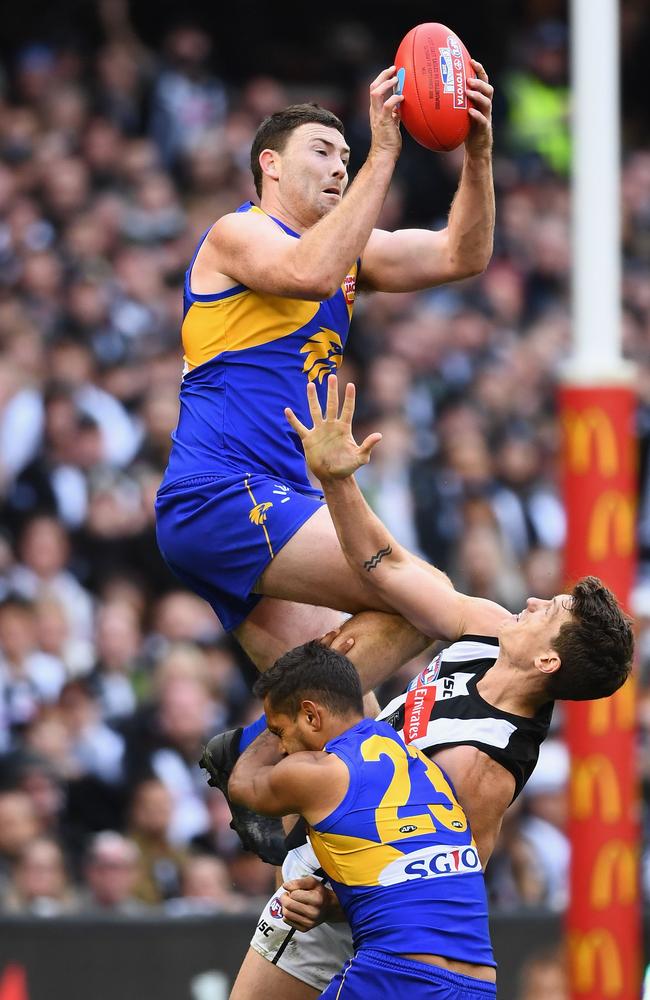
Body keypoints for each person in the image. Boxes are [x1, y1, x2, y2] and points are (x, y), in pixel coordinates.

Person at [219, 375, 632, 998]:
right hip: (336, 820)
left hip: (354, 901)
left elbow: (440, 889)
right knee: (410, 598)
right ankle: (276, 730)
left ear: (548, 663)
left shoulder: (484, 766)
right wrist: (337, 480)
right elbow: (390, 567)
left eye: (550, 611)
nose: (533, 599)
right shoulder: (491, 629)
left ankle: (266, 744)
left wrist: (329, 900)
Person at [155, 63, 495, 672]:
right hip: (224, 492)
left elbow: (461, 254)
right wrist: (383, 152)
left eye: (346, 153)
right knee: (421, 593)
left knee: (335, 708)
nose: (340, 165)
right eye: (323, 151)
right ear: (271, 164)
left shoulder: (349, 255)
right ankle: (537, 642)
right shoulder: (237, 233)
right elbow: (307, 275)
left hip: (278, 495)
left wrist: (478, 153)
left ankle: (247, 758)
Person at [228, 641, 497, 1000]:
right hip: (477, 983)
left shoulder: (320, 774)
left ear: (310, 715)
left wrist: (257, 733)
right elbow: (405, 883)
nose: (280, 747)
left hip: (395, 973)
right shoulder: (422, 766)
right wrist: (328, 905)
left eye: (279, 731)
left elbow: (241, 784)